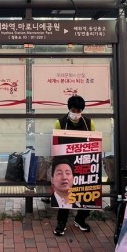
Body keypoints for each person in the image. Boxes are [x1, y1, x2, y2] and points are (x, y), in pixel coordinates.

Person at [53, 95, 94, 236]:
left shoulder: (89, 123)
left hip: (84, 162)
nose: (76, 113)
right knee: (66, 192)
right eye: (73, 110)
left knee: (87, 193)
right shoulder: (60, 122)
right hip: (66, 163)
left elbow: (94, 143)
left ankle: (81, 219)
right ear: (69, 109)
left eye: (79, 111)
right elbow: (56, 144)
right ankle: (61, 222)